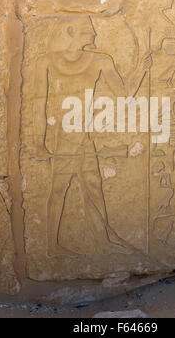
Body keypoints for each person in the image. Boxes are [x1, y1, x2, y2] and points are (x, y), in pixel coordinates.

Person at [34, 16, 151, 257]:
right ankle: (52, 246)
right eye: (88, 30)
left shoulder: (100, 61)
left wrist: (141, 69)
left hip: (84, 136)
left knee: (93, 188)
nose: (94, 35)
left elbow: (124, 95)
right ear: (69, 30)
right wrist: (38, 142)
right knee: (59, 189)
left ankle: (103, 241)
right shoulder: (44, 63)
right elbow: (38, 106)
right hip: (63, 137)